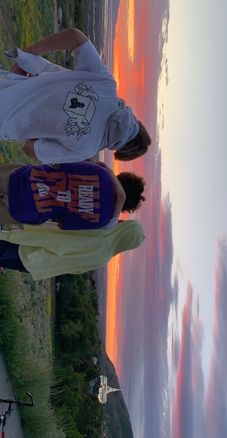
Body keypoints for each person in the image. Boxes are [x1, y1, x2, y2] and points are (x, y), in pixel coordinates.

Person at [1, 28, 151, 163]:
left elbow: (75, 37)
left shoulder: (106, 84)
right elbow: (31, 150)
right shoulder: (85, 150)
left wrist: (28, 54)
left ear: (136, 122)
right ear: (122, 150)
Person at [0, 162, 145, 229]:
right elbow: (64, 224)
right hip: (29, 210)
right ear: (126, 207)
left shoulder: (101, 173)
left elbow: (60, 166)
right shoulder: (101, 220)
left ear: (123, 179)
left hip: (27, 179)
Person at [0, 220, 145, 280]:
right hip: (36, 267)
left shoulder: (100, 236)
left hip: (31, 250)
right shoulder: (104, 259)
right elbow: (75, 270)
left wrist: (14, 235)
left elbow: (59, 242)